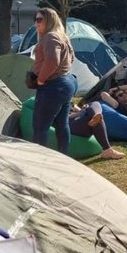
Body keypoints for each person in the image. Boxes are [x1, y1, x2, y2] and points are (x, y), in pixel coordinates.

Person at [31, 8, 78, 155]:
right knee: (61, 124)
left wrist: (40, 79)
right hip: (66, 82)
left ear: (49, 21)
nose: (36, 23)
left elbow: (52, 60)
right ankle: (63, 157)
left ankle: (40, 162)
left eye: (40, 20)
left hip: (53, 86)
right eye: (35, 19)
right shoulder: (62, 36)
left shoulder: (50, 37)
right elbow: (72, 58)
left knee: (40, 127)